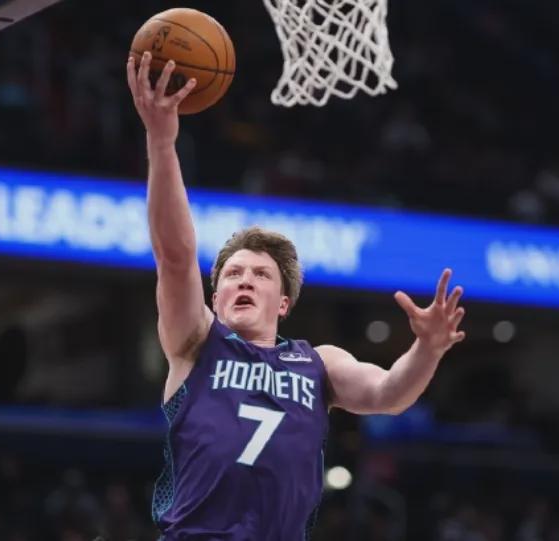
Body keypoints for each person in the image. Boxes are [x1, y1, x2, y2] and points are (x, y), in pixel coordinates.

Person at [126, 52, 466, 540]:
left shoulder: (319, 363)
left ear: (284, 303)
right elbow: (175, 256)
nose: (245, 281)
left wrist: (427, 348)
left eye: (261, 275)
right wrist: (161, 142)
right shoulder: (195, 343)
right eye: (233, 274)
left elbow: (388, 394)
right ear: (215, 298)